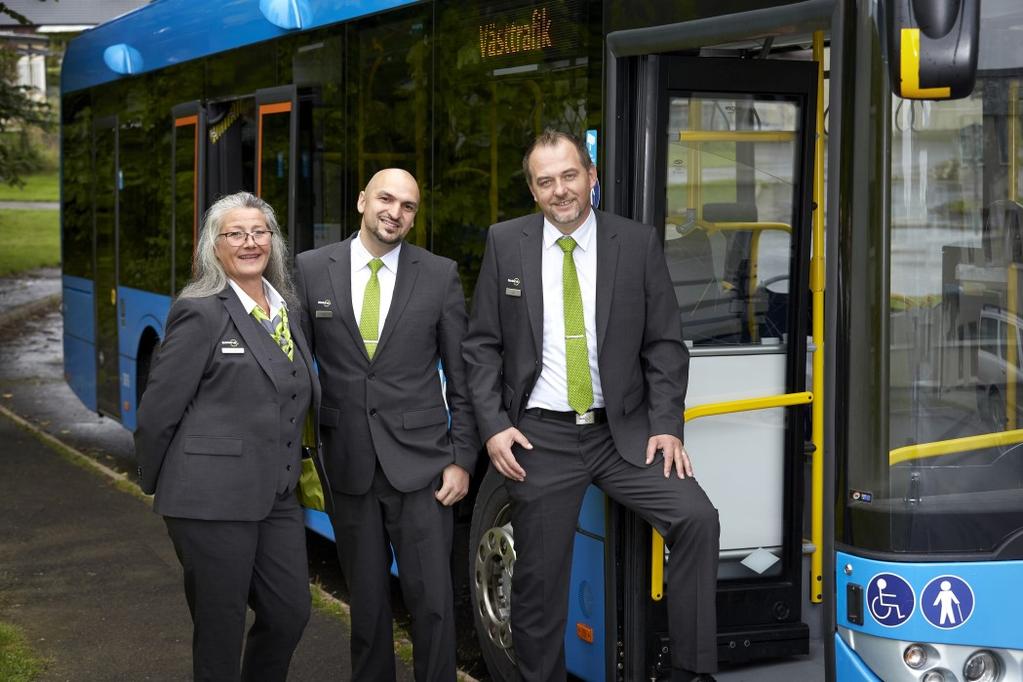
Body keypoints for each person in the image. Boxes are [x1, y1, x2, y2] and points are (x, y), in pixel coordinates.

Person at [462, 130, 720, 682]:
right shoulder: (506, 242)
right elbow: (481, 344)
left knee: (697, 518)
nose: (560, 190)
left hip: (621, 434)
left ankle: (689, 672)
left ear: (592, 176)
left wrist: (667, 426)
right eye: (546, 181)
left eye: (569, 175)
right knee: (538, 584)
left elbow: (665, 345)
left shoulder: (636, 242)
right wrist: (493, 428)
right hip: (540, 438)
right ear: (533, 190)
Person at [294, 168, 478, 681]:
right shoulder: (311, 270)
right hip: (347, 465)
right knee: (368, 608)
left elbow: (462, 380)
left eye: (408, 206)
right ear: (361, 202)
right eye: (386, 199)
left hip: (423, 470)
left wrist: (462, 460)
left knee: (433, 604)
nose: (395, 212)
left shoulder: (439, 275)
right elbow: (289, 366)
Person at [134, 191, 320, 682]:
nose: (249, 242)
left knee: (289, 613)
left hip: (276, 496)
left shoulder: (286, 309)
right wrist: (159, 484)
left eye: (260, 232)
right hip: (207, 499)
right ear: (214, 247)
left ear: (274, 243)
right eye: (235, 233)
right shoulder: (201, 311)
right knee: (220, 629)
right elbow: (157, 411)